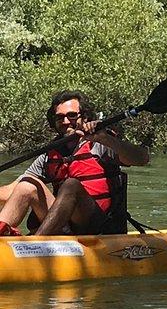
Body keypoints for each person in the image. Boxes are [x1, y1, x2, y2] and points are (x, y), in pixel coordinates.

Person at [0, 90, 149, 236]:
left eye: (71, 115)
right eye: (60, 117)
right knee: (27, 185)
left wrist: (106, 139)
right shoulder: (50, 154)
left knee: (71, 184)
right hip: (64, 226)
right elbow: (14, 190)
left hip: (99, 227)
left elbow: (142, 159)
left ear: (84, 118)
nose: (65, 121)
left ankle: (37, 246)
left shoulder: (101, 143)